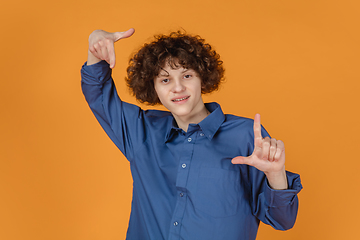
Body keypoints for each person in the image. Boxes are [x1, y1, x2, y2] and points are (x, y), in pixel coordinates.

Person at [80, 28, 302, 240]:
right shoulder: (142, 131)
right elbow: (98, 95)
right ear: (153, 87)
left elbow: (282, 220)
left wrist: (275, 176)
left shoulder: (245, 136)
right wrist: (95, 44)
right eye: (165, 80)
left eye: (186, 76)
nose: (177, 88)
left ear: (202, 79)